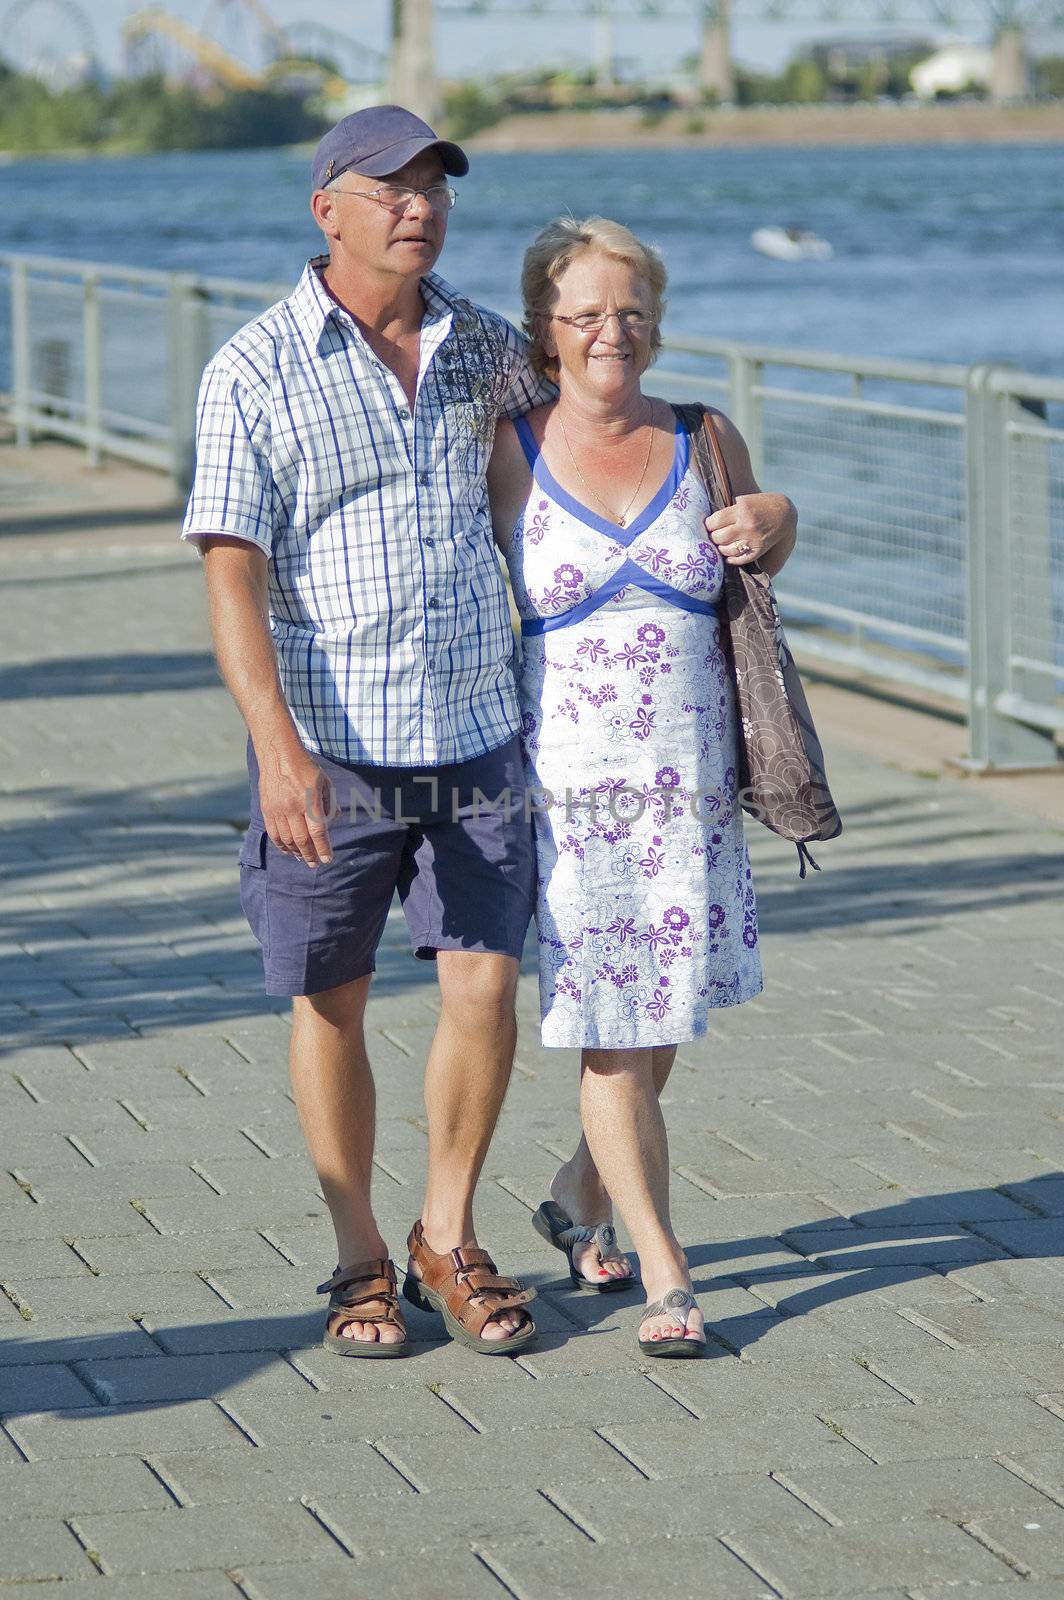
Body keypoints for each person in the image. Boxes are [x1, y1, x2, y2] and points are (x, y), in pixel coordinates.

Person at [180, 106, 559, 1358]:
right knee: (327, 996)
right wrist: (276, 747)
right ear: (324, 209)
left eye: (433, 186)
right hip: (331, 749)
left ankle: (445, 1234)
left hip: (477, 730)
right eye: (389, 186)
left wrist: (745, 501)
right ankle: (356, 1254)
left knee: (484, 987)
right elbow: (230, 574)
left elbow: (598, 440)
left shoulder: (489, 349)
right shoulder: (251, 368)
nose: (419, 206)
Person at [487, 216, 798, 1356]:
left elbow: (764, 542)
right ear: (546, 330)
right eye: (583, 313)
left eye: (628, 311)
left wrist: (778, 519)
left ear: (654, 326)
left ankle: (577, 1198)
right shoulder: (505, 448)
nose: (608, 330)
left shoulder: (703, 433)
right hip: (572, 798)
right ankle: (666, 1274)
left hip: (692, 785)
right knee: (611, 1037)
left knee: (661, 1018)